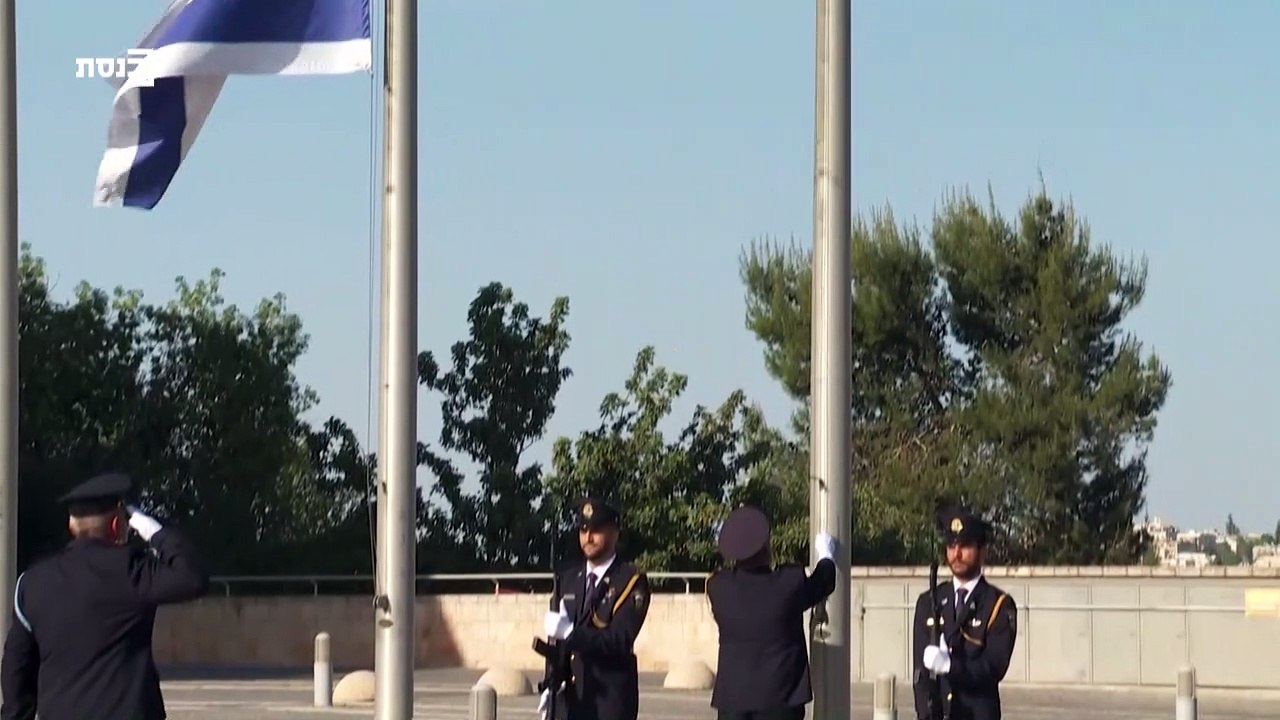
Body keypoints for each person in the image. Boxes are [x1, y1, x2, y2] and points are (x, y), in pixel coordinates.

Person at [0, 472, 210, 720]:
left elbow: (17, 666)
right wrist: (154, 530)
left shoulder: (32, 582)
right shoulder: (134, 571)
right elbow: (192, 577)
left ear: (71, 525)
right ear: (117, 525)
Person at [706, 505, 838, 720]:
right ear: (766, 548)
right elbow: (823, 582)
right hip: (781, 698)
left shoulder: (718, 588)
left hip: (733, 700)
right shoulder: (788, 582)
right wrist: (826, 556)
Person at [538, 497, 651, 720]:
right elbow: (557, 646)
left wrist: (571, 633)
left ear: (615, 532)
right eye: (583, 530)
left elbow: (620, 639)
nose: (588, 538)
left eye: (596, 530)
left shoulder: (630, 581)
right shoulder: (568, 578)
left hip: (609, 701)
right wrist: (551, 684)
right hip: (571, 699)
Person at [911, 505, 1018, 720]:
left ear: (982, 551)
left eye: (965, 546)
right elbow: (920, 675)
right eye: (951, 545)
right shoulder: (928, 601)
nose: (956, 554)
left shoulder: (998, 604)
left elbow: (993, 667)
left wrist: (951, 666)